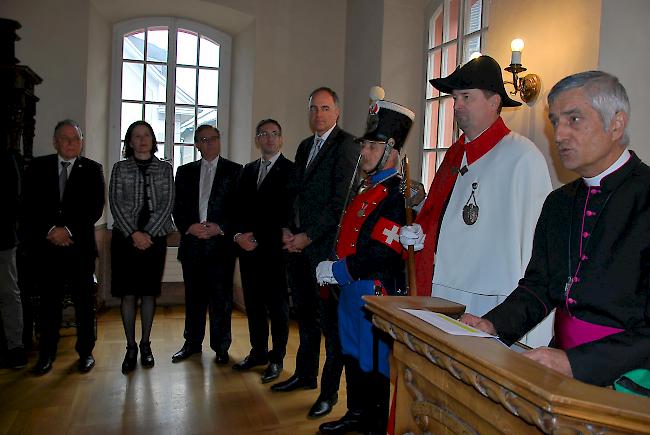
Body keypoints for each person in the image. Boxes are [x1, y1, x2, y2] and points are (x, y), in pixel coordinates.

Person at [462, 71, 650, 387]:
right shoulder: (559, 202)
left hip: (632, 379)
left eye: (574, 119)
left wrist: (576, 363)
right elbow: (539, 287)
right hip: (560, 367)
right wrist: (492, 325)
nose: (559, 134)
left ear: (616, 124)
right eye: (555, 121)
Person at [400, 55, 553, 345]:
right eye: (455, 98)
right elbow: (444, 215)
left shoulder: (522, 157)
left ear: (494, 102)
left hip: (492, 305)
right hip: (444, 294)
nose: (456, 106)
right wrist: (422, 232)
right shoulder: (456, 154)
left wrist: (530, 332)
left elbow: (537, 247)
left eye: (466, 97)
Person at [316, 99, 413, 434]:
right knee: (353, 354)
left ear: (391, 150)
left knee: (373, 361)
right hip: (351, 289)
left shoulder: (396, 196)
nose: (365, 151)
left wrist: (339, 270)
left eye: (372, 145)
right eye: (365, 144)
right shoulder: (368, 189)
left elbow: (384, 252)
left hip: (373, 290)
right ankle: (357, 413)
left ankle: (375, 422)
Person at [271, 87, 359, 420]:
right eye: (313, 108)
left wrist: (308, 236)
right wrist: (286, 229)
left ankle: (328, 393)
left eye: (324, 108)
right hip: (297, 248)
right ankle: (304, 375)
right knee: (304, 318)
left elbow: (340, 202)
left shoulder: (347, 145)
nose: (318, 114)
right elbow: (294, 193)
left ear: (337, 112)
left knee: (331, 328)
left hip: (325, 252)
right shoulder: (305, 145)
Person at [21, 119, 105, 375]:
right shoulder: (38, 167)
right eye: (65, 138)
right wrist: (50, 231)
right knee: (49, 305)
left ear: (82, 142)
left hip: (79, 249)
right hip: (46, 250)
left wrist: (67, 230)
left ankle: (85, 353)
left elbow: (94, 207)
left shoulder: (92, 169)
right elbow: (28, 206)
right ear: (55, 141)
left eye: (76, 138)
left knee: (83, 303)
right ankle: (46, 355)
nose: (71, 142)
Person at [172, 124, 242, 365]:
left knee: (221, 300)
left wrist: (220, 227)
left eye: (213, 138)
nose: (209, 143)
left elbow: (238, 210)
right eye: (204, 139)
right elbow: (177, 207)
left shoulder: (235, 171)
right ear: (197, 144)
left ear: (219, 141)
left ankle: (221, 346)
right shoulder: (184, 171)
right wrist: (189, 227)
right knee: (194, 298)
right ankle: (191, 343)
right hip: (192, 244)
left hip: (221, 246)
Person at [109, 121, 175, 374]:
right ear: (130, 141)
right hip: (125, 239)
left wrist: (147, 234)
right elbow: (115, 202)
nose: (142, 139)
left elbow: (168, 202)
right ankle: (130, 346)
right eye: (136, 136)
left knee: (148, 293)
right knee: (128, 294)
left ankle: (146, 344)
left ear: (153, 139)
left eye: (146, 135)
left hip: (155, 239)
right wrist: (134, 233)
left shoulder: (164, 168)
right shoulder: (120, 168)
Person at [232, 119, 295, 383]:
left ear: (281, 139)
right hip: (248, 253)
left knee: (278, 308)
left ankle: (276, 357)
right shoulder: (247, 171)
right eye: (264, 134)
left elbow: (288, 215)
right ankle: (258, 352)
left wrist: (259, 237)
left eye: (274, 134)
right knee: (254, 306)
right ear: (257, 140)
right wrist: (238, 237)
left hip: (275, 253)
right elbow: (236, 209)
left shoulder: (291, 171)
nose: (269, 138)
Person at [0, 146, 26, 368]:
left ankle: (15, 346)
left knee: (8, 293)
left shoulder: (7, 157)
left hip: (3, 238)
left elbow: (14, 198)